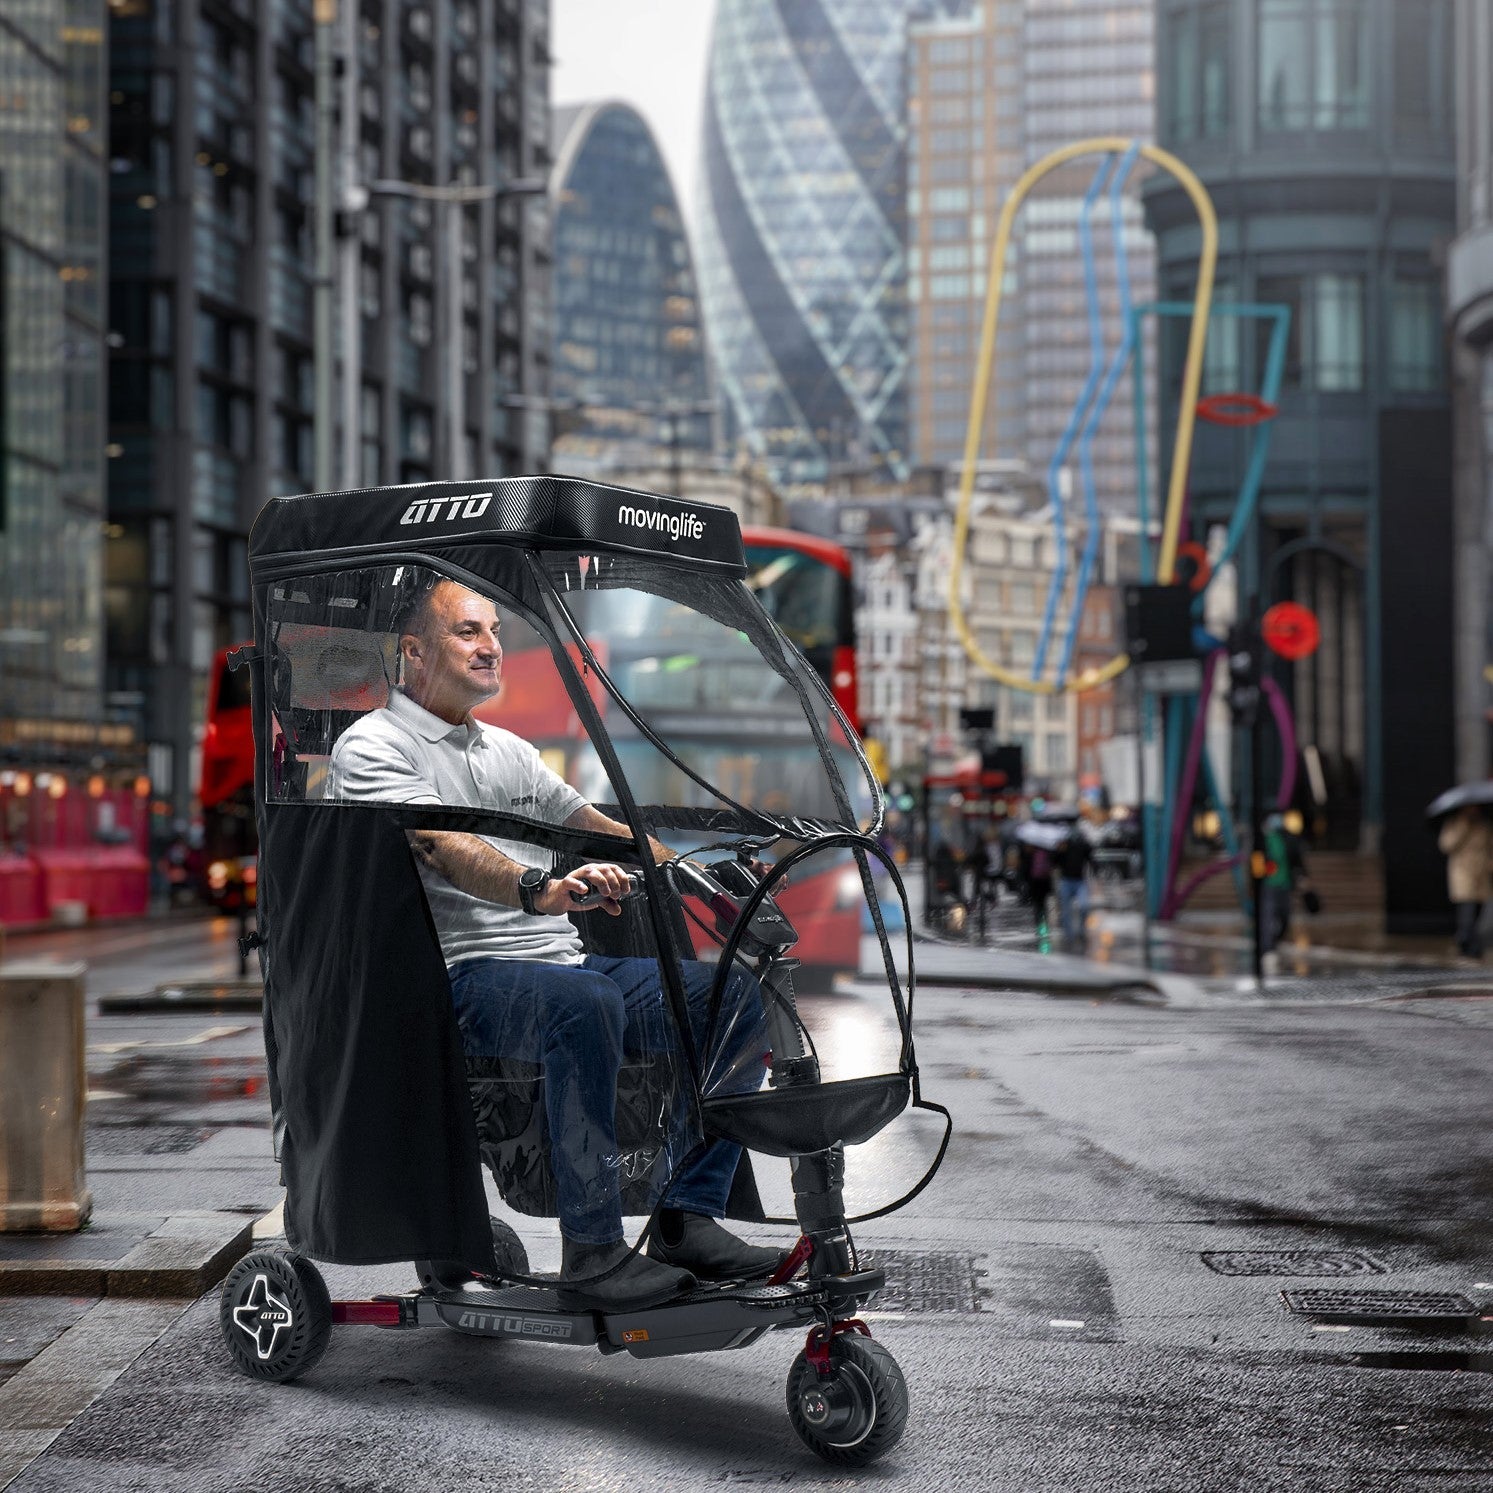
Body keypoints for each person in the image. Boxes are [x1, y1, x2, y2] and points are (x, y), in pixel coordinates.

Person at [328, 578, 782, 1310]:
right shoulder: (374, 746)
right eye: (467, 631)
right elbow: (439, 843)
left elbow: (588, 820)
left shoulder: (505, 748)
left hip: (558, 969)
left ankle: (685, 1216)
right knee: (586, 1000)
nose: (491, 646)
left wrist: (698, 871)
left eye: (496, 630)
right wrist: (539, 888)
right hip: (455, 977)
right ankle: (593, 1249)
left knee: (728, 995)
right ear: (413, 650)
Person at [1438, 806, 1491, 959]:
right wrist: (1463, 826)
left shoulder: (1484, 824)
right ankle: (1467, 945)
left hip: (1481, 874)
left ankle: (1470, 944)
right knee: (1467, 912)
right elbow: (1446, 845)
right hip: (1463, 873)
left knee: (1478, 912)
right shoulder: (1455, 824)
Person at [1054, 827, 1093, 953]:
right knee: (1066, 911)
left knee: (1084, 906)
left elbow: (1090, 856)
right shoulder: (1062, 847)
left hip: (1079, 881)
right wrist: (1058, 851)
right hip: (1066, 881)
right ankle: (1068, 934)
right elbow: (1054, 863)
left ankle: (1081, 929)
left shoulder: (1083, 845)